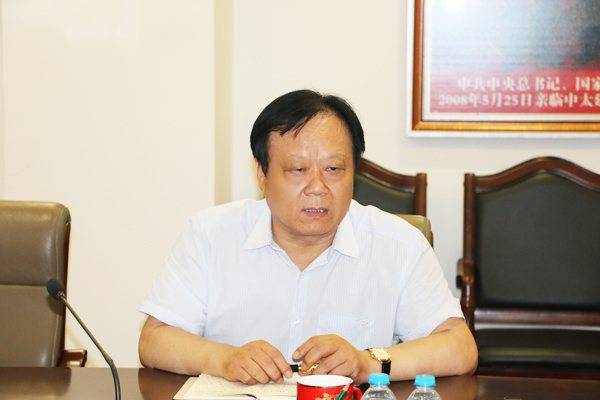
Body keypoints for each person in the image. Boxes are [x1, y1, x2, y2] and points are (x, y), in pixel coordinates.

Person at [138, 89, 477, 385]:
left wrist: (367, 362)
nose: (317, 187)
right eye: (298, 170)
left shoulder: (399, 245)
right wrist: (224, 359)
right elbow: (155, 340)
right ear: (261, 173)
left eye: (333, 169)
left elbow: (459, 348)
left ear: (354, 172)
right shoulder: (210, 235)